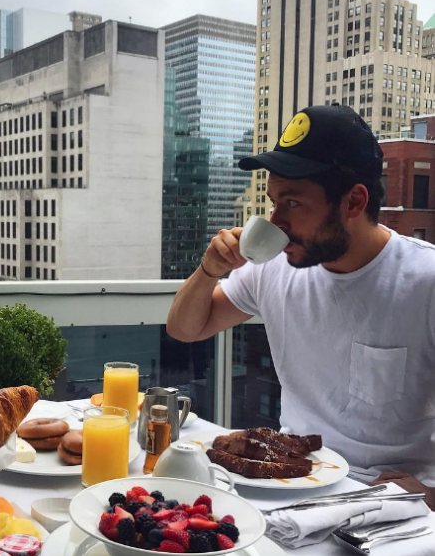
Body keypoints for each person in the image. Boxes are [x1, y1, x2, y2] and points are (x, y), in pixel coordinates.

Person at [166, 104, 435, 509]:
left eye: (292, 203)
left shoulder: (423, 282)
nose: (275, 220)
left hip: (388, 503)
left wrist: (431, 496)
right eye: (273, 201)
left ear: (354, 202)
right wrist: (208, 270)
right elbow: (186, 328)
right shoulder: (275, 268)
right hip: (288, 482)